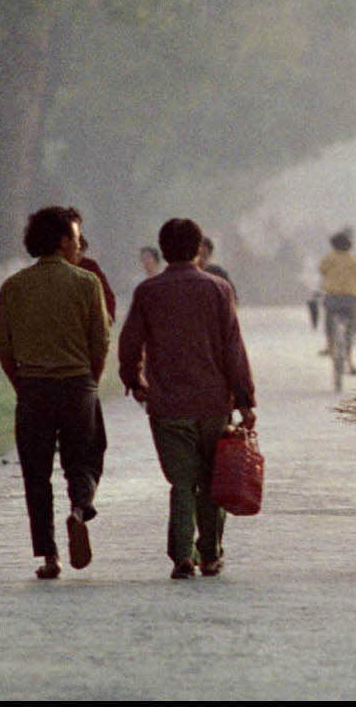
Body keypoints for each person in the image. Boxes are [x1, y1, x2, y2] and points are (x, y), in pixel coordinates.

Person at [118, 217, 257, 579]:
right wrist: (244, 402)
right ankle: (209, 554)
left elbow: (130, 342)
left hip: (168, 405)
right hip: (214, 404)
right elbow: (233, 350)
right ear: (199, 249)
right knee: (213, 479)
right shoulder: (218, 289)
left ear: (162, 251)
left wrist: (133, 380)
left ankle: (182, 555)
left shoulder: (149, 292)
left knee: (181, 481)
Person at [0, 206, 111, 580]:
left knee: (36, 474)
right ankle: (78, 508)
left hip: (32, 390)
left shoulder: (13, 287)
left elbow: (3, 349)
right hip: (78, 386)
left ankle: (49, 556)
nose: (80, 246)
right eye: (76, 239)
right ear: (63, 242)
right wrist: (89, 382)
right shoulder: (87, 283)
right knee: (86, 459)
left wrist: (23, 386)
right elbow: (100, 344)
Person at [317, 230, 356, 377]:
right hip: (350, 299)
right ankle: (349, 360)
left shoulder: (329, 258)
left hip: (333, 297)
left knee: (329, 320)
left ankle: (329, 346)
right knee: (348, 329)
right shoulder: (355, 262)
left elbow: (321, 271)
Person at [198, 235, 238, 304]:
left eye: (204, 255)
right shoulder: (184, 275)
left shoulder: (219, 274)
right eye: (198, 255)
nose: (200, 259)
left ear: (210, 255)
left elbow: (233, 299)